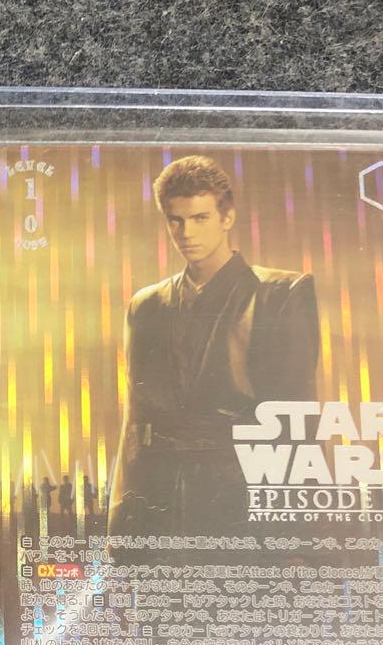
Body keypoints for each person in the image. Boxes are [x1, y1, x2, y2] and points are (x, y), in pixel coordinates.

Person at [108, 155, 319, 534]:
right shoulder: (147, 305)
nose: (186, 232)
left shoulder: (281, 293)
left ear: (227, 218)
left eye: (200, 218)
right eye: (176, 220)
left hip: (242, 497)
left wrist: (297, 534)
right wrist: (120, 521)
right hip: (161, 501)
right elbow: (135, 421)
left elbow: (296, 419)